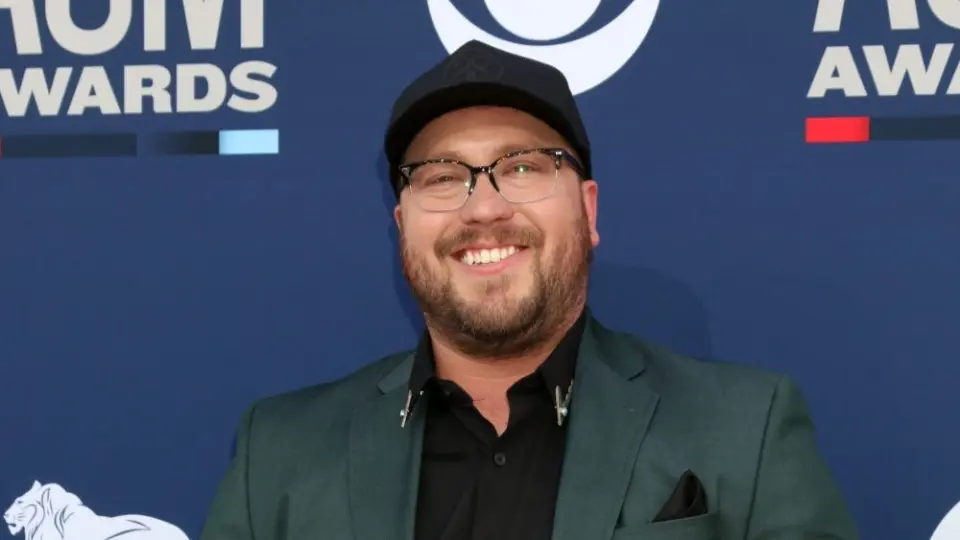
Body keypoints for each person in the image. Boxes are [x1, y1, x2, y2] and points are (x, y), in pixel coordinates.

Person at [198, 41, 859, 540]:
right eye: (440, 176)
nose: (483, 208)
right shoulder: (277, 455)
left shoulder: (746, 429)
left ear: (588, 210)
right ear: (402, 226)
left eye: (521, 167)